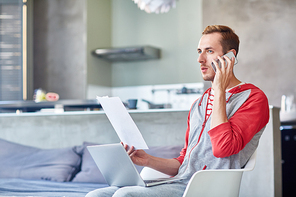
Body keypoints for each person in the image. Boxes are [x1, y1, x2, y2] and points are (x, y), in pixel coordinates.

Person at [85, 25, 269, 197]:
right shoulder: (199, 103)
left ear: (230, 56)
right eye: (199, 51)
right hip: (179, 182)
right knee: (97, 195)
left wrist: (219, 90)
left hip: (206, 188)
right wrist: (147, 160)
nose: (200, 59)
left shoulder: (253, 98)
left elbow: (223, 149)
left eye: (209, 51)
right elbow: (185, 162)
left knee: (125, 195)